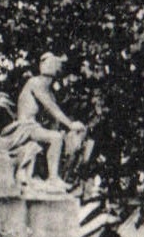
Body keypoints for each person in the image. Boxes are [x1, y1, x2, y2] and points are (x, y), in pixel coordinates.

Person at [8, 52, 87, 191]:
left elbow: (53, 114)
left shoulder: (46, 88)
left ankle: (54, 177)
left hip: (33, 126)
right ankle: (53, 179)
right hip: (26, 127)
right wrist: (70, 125)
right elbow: (52, 108)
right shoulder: (35, 83)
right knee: (55, 138)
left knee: (58, 136)